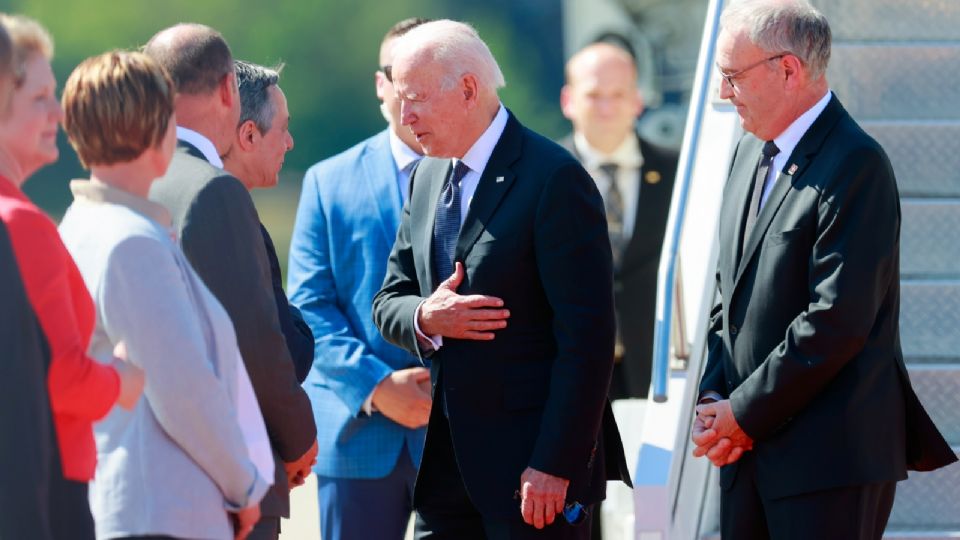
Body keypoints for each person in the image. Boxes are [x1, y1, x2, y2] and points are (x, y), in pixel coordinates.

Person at [691, 1, 957, 538]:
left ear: (787, 69)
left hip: (827, 461)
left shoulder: (856, 163)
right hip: (747, 455)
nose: (723, 93)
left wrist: (743, 412)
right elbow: (728, 296)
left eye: (732, 77)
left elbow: (836, 320)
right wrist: (715, 399)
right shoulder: (748, 153)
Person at [372, 20, 631, 539]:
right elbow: (389, 300)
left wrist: (555, 463)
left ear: (468, 89)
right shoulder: (425, 176)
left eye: (416, 98)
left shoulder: (554, 178)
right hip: (446, 476)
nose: (406, 116)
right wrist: (426, 317)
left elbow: (587, 340)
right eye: (401, 100)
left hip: (531, 479)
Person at [59, 49, 270, 540]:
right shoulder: (129, 240)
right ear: (158, 127)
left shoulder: (85, 224)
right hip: (165, 509)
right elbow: (184, 388)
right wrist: (244, 486)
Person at [143, 24, 318, 540]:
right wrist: (298, 438)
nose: (287, 141)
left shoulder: (130, 178)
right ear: (226, 91)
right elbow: (252, 340)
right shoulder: (212, 190)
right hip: (228, 480)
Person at [0, 15, 143, 540]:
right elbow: (61, 381)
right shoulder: (19, 224)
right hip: (44, 488)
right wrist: (122, 380)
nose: (57, 113)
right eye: (40, 97)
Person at [287, 17, 431, 540]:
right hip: (358, 432)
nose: (413, 93)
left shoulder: (483, 175)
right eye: (402, 77)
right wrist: (375, 385)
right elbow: (307, 305)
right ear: (381, 85)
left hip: (464, 435)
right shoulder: (327, 181)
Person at [559, 42, 678, 399]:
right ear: (569, 100)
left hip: (659, 372)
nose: (607, 107)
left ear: (637, 100)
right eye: (594, 95)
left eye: (619, 94)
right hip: (571, 375)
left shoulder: (678, 172)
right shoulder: (542, 176)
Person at [222, 60, 313, 384]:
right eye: (283, 128)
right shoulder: (234, 224)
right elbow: (290, 354)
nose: (290, 143)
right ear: (249, 135)